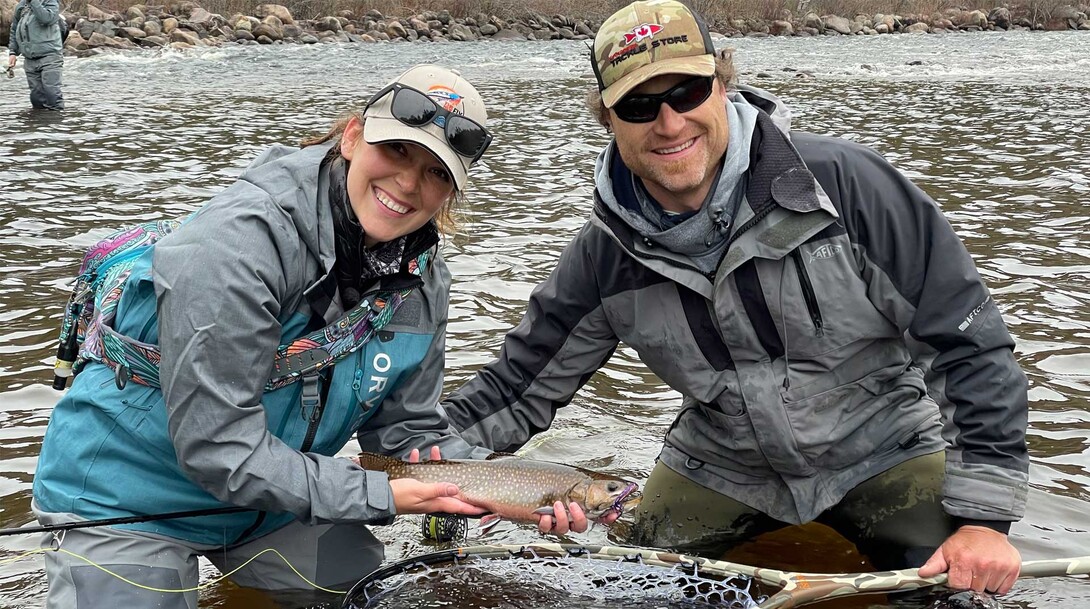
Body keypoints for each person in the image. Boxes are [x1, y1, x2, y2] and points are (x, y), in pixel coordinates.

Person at [440, 0, 1029, 596]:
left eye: (688, 92)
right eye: (639, 106)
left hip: (886, 447)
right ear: (608, 119)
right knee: (641, 589)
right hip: (722, 467)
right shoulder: (602, 257)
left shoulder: (848, 188)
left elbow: (968, 347)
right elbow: (517, 388)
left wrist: (984, 520)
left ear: (722, 85)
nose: (669, 124)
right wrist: (411, 463)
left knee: (958, 590)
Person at [32, 64, 494, 609]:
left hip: (269, 504)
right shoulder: (237, 245)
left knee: (371, 593)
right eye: (396, 151)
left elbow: (405, 429)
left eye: (437, 172)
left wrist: (506, 488)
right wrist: (377, 494)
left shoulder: (422, 278)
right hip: (129, 495)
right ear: (351, 136)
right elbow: (219, 449)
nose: (410, 184)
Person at [7, 0, 65, 110]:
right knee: (36, 98)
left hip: (50, 56)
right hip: (29, 58)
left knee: (52, 94)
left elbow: (47, 19)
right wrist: (13, 52)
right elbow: (14, 29)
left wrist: (34, 1)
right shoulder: (21, 6)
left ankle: (56, 125)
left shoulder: (51, 2)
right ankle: (39, 125)